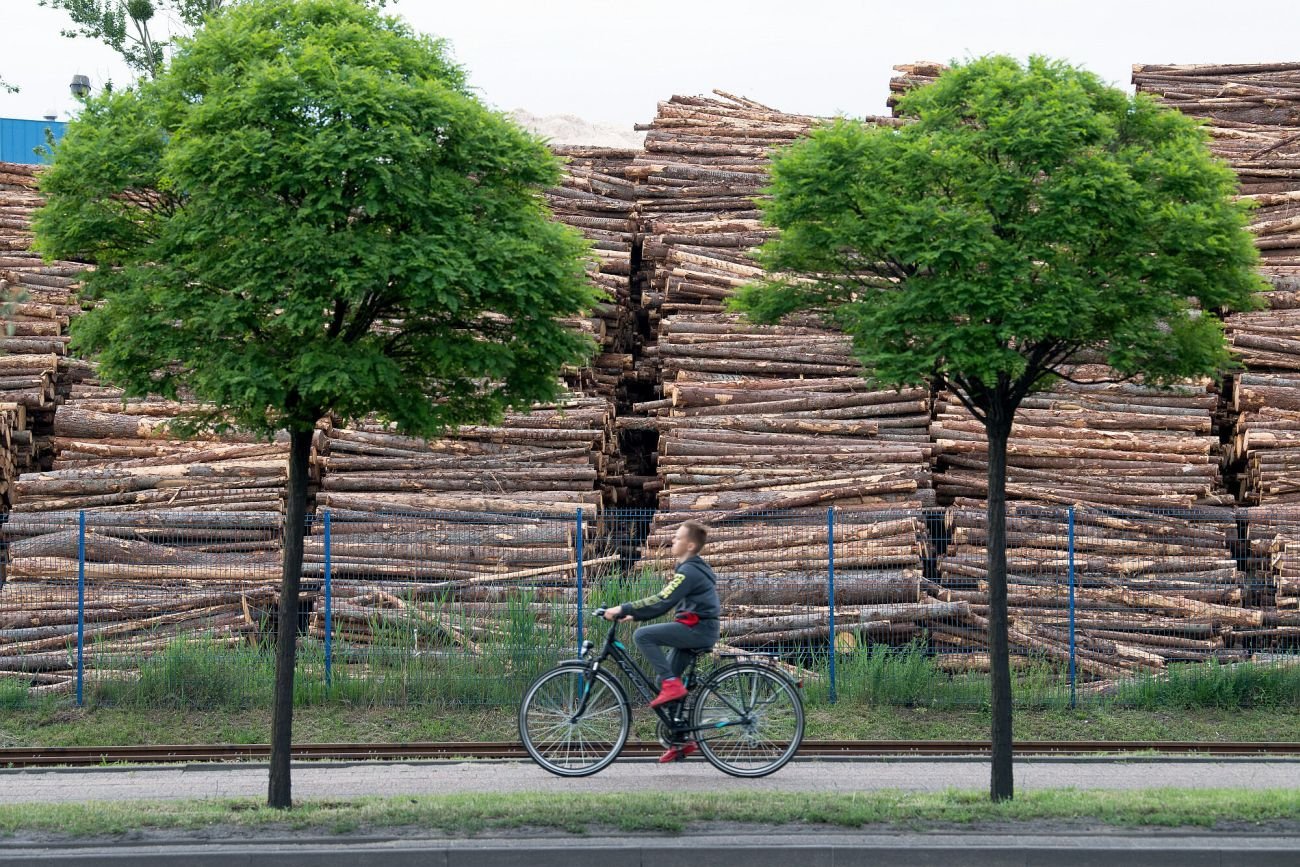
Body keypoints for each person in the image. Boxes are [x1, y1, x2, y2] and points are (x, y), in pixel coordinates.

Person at [603, 519, 720, 763]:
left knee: (642, 636)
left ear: (689, 546)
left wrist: (623, 607)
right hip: (696, 628)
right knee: (663, 678)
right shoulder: (691, 569)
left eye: (677, 538)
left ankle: (671, 685)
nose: (672, 541)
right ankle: (681, 739)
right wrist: (634, 613)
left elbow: (662, 600)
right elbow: (664, 602)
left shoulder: (689, 571)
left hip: (697, 629)